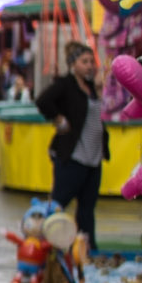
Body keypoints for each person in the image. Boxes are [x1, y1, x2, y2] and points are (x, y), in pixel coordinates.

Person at [37, 42, 109, 244]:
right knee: (59, 203)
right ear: (73, 64)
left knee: (87, 209)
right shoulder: (66, 85)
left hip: (93, 160)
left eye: (91, 62)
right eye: (84, 62)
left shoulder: (91, 88)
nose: (89, 66)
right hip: (73, 157)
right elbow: (43, 100)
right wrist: (58, 118)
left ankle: (88, 248)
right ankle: (45, 241)